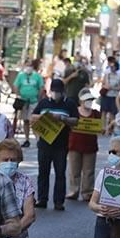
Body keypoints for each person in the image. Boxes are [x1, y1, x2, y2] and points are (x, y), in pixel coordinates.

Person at [31, 79, 78, 209]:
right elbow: (33, 116)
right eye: (54, 91)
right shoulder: (44, 102)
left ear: (63, 92)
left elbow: (75, 120)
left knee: (60, 173)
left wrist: (62, 118)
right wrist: (46, 116)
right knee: (43, 172)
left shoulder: (69, 104)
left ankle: (58, 201)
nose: (56, 94)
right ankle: (42, 199)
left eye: (58, 91)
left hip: (61, 144)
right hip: (45, 143)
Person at [67, 92, 100, 201]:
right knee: (74, 170)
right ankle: (73, 191)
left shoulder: (96, 113)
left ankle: (88, 192)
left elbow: (100, 127)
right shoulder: (74, 111)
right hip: (75, 144)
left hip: (90, 145)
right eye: (87, 100)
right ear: (81, 101)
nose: (89, 102)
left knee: (89, 170)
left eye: (91, 99)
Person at [13, 58, 44, 147]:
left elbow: (41, 87)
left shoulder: (37, 76)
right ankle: (27, 139)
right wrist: (18, 95)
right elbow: (16, 86)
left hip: (33, 101)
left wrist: (39, 98)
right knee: (25, 120)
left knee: (34, 121)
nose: (28, 67)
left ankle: (38, 139)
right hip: (23, 102)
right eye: (27, 65)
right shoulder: (21, 75)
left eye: (30, 65)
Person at [100, 55, 120, 135]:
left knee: (113, 113)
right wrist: (105, 86)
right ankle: (103, 127)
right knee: (104, 111)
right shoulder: (107, 72)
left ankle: (110, 128)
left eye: (113, 67)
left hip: (114, 96)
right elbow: (103, 83)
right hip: (106, 95)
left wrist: (112, 88)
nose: (111, 68)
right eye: (111, 67)